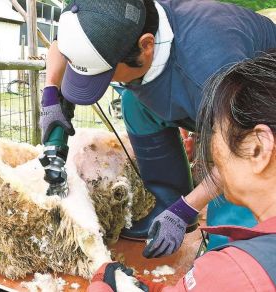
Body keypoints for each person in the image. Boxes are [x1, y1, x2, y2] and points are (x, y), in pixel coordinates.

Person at [39, 0, 276, 251]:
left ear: (146, 46)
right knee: (134, 103)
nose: (103, 82)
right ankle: (167, 201)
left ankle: (238, 244)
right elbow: (61, 42)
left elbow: (244, 151)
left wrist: (186, 209)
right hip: (202, 86)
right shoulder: (106, 14)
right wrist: (51, 95)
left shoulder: (213, 67)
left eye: (106, 74)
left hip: (257, 108)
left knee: (240, 173)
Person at [88, 50, 276, 292]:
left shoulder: (232, 273)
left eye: (215, 130)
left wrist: (100, 286)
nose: (209, 146)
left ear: (258, 148)